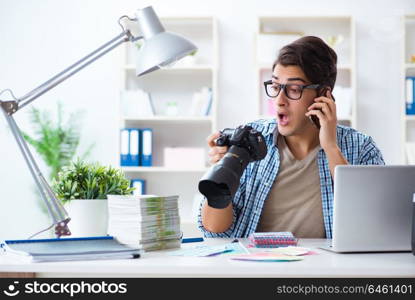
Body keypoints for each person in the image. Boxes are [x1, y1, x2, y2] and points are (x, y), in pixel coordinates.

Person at [198, 36, 385, 239]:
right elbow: (215, 230)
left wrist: (331, 147)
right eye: (276, 87)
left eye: (294, 89)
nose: (279, 101)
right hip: (256, 267)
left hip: (327, 270)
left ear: (323, 95)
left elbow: (373, 224)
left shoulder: (361, 147)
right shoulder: (250, 140)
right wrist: (222, 176)